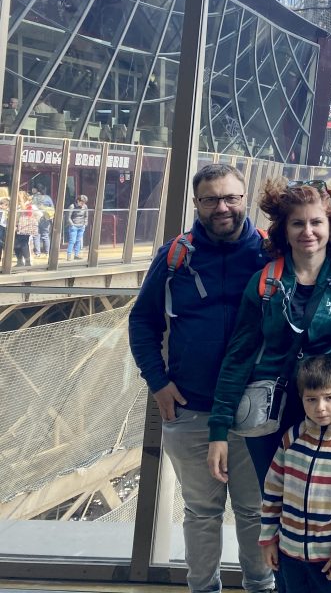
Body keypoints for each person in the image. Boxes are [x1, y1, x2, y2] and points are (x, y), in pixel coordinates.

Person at [129, 164, 274, 593]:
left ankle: (260, 587)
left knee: (256, 511)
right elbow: (142, 322)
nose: (222, 207)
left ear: (245, 199)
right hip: (192, 409)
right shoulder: (176, 255)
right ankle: (202, 588)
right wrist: (157, 381)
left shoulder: (269, 253)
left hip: (255, 413)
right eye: (211, 199)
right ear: (197, 204)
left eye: (230, 197)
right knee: (201, 511)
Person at [206, 177, 331, 532]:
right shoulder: (265, 283)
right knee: (278, 512)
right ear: (284, 229)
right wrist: (218, 430)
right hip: (274, 416)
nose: (308, 231)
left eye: (316, 222)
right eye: (297, 223)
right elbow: (238, 357)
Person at [259, 354, 331, 593]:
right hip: (289, 556)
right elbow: (272, 492)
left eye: (329, 398)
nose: (320, 408)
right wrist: (269, 539)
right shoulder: (291, 439)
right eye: (311, 399)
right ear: (301, 399)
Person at [13, 190, 38, 267]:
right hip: (16, 227)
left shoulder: (29, 205)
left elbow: (26, 211)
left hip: (24, 227)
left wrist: (21, 199)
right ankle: (19, 261)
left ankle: (27, 262)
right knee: (15, 244)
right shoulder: (17, 205)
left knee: (23, 244)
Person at [66, 194, 88, 260]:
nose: (83, 204)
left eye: (84, 203)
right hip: (74, 226)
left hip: (81, 226)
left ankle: (76, 255)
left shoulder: (85, 206)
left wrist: (85, 224)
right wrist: (72, 225)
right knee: (72, 240)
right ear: (78, 201)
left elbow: (86, 216)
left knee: (78, 241)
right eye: (82, 202)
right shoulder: (72, 206)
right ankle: (69, 255)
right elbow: (68, 217)